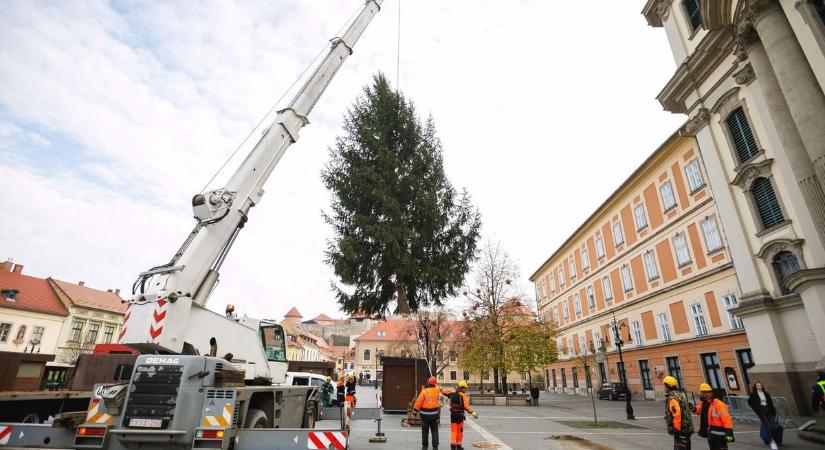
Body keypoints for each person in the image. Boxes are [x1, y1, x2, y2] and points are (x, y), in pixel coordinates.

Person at [694, 383, 734, 450]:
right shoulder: (704, 403)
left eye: (707, 392)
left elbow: (726, 418)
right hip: (711, 433)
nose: (705, 394)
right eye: (703, 392)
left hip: (720, 434)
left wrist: (729, 432)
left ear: (711, 393)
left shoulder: (718, 403)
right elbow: (698, 410)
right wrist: (693, 408)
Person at [442, 380, 478, 450]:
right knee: (459, 431)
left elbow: (444, 392)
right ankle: (458, 446)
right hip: (460, 416)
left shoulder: (452, 393)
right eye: (465, 388)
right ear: (462, 388)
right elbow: (466, 406)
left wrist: (440, 389)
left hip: (453, 415)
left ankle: (453, 446)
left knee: (453, 430)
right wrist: (472, 412)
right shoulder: (463, 396)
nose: (465, 390)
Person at [663, 376, 693, 450]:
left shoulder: (673, 398)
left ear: (668, 386)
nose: (664, 388)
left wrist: (676, 429)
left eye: (665, 386)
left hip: (681, 430)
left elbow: (677, 414)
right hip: (686, 429)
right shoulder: (680, 395)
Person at [748, 381, 780, 449]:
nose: (759, 386)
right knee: (767, 426)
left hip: (769, 411)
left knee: (774, 426)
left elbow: (771, 403)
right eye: (757, 385)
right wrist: (755, 409)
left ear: (762, 386)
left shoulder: (766, 394)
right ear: (755, 387)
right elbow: (749, 402)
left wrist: (774, 411)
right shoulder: (753, 394)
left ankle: (767, 438)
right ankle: (772, 442)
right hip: (761, 411)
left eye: (760, 385)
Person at [414, 376, 443, 450]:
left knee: (425, 431)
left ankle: (425, 446)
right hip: (434, 415)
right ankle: (435, 446)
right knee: (434, 431)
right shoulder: (437, 390)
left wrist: (415, 410)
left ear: (428, 382)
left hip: (425, 416)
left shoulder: (424, 391)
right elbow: (437, 387)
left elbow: (419, 401)